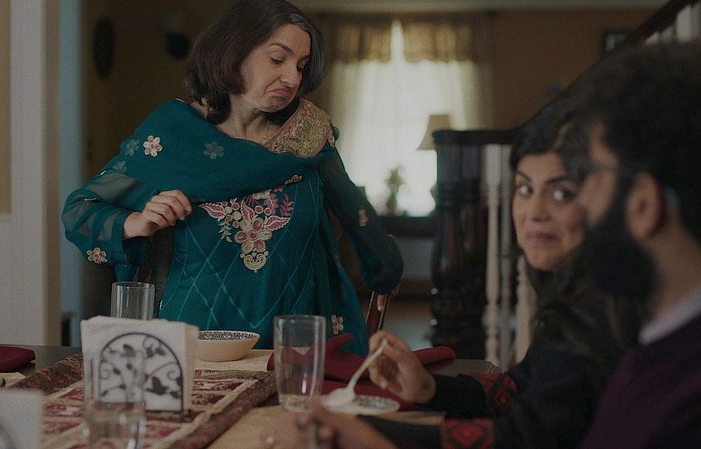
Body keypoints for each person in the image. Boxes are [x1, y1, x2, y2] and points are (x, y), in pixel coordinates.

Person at [266, 97, 644, 449]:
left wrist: (372, 434)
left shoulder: (607, 309)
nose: (534, 213)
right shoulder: (575, 292)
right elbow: (518, 388)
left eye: (561, 193)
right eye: (525, 189)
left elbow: (530, 436)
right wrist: (429, 388)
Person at [61, 0, 402, 354]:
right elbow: (80, 211)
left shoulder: (308, 140)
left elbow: (365, 227)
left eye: (301, 67)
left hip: (290, 352)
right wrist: (138, 222)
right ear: (233, 51)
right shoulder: (171, 138)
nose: (292, 78)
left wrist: (386, 277)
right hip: (191, 348)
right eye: (277, 59)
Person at [568, 41, 701, 449]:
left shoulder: (685, 408)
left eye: (593, 173)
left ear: (644, 203)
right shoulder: (664, 341)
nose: (581, 199)